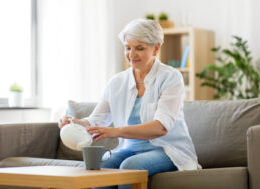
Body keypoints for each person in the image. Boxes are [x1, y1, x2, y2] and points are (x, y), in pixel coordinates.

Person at [59, 18, 200, 189]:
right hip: (128, 149)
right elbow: (96, 120)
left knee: (129, 167)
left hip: (166, 150)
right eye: (128, 48)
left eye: (139, 48)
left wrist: (116, 131)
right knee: (99, 166)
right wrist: (75, 123)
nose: (131, 55)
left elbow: (160, 127)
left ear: (156, 47)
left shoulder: (170, 78)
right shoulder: (117, 82)